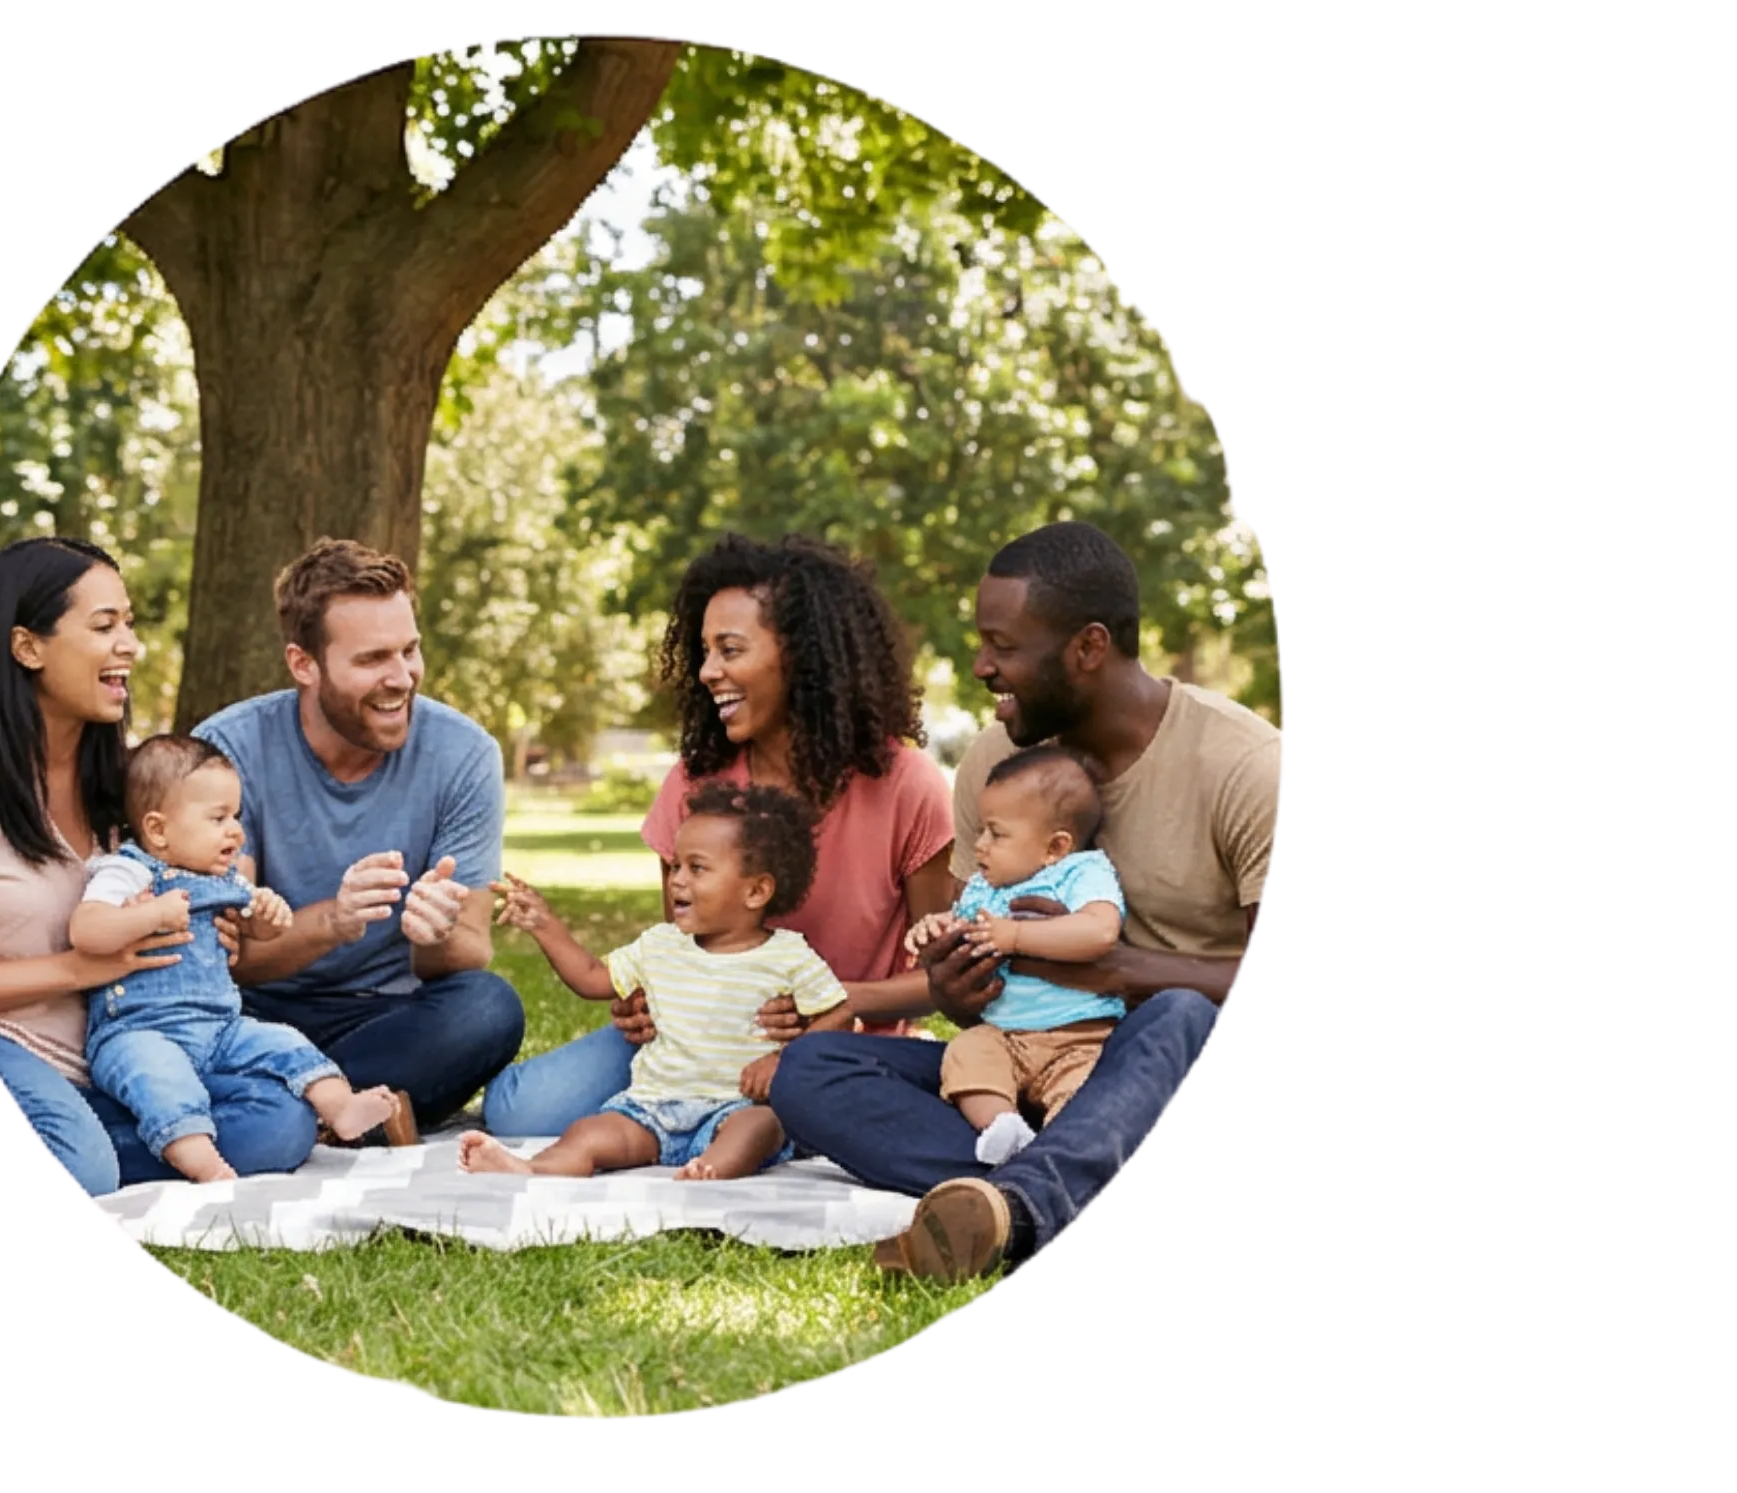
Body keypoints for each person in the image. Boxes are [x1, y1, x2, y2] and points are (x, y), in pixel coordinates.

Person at [768, 520, 1283, 1281]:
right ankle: (1041, 1191)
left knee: (1180, 1012)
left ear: (1088, 648)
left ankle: (1018, 1208)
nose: (981, 667)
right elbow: (975, 1000)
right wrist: (955, 984)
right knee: (811, 1070)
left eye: (1003, 647)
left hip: (1161, 1066)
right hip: (1026, 1078)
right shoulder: (996, 760)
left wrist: (1117, 973)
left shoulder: (1246, 769)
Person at [481, 533, 956, 1136]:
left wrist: (834, 1003)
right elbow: (684, 942)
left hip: (840, 1049)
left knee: (825, 1110)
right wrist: (643, 1002)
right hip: (695, 1046)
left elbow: (941, 981)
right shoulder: (693, 787)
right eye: (704, 651)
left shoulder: (907, 785)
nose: (708, 672)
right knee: (521, 1112)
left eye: (730, 650)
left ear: (803, 655)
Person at [0, 537, 320, 1198]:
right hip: (3, 1043)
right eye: (104, 626)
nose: (129, 644)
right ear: (27, 647)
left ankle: (99, 1139)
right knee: (88, 1165)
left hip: (120, 1050)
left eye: (129, 623)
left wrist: (218, 927)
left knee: (281, 1120)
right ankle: (92, 1148)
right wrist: (74, 969)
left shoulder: (124, 784)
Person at [193, 539, 526, 1130]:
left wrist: (433, 933)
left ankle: (288, 1110)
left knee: (489, 1008)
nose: (402, 678)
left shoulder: (464, 754)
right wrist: (336, 921)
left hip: (383, 1018)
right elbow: (230, 958)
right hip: (251, 1014)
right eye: (373, 659)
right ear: (304, 664)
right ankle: (335, 1110)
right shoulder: (228, 750)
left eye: (410, 650)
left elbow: (471, 951)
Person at [462, 783, 853, 1181]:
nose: (677, 880)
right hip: (653, 1108)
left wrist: (782, 1061)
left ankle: (709, 1171)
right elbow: (592, 979)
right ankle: (532, 1168)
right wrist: (545, 925)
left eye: (696, 868)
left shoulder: (788, 955)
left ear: (756, 891)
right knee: (590, 1132)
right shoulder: (660, 944)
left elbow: (840, 1014)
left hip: (735, 1106)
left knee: (759, 1127)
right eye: (676, 865)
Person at [73, 735, 417, 1182]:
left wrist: (269, 919)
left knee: (285, 1043)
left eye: (235, 816)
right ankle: (206, 1166)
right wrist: (151, 914)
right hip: (140, 1031)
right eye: (218, 818)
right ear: (157, 830)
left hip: (221, 1027)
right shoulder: (128, 870)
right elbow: (85, 930)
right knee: (164, 1084)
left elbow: (255, 927)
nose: (235, 830)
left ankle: (341, 1107)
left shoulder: (223, 878)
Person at [902, 744, 1126, 1168]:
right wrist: (934, 929)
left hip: (1078, 1037)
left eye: (996, 833)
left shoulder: (1080, 872)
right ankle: (1005, 1130)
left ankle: (1068, 1156)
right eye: (982, 831)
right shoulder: (986, 887)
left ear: (1055, 847)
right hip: (1004, 1036)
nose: (980, 845)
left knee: (1085, 1093)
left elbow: (1100, 930)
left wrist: (1017, 936)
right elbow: (962, 927)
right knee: (966, 1053)